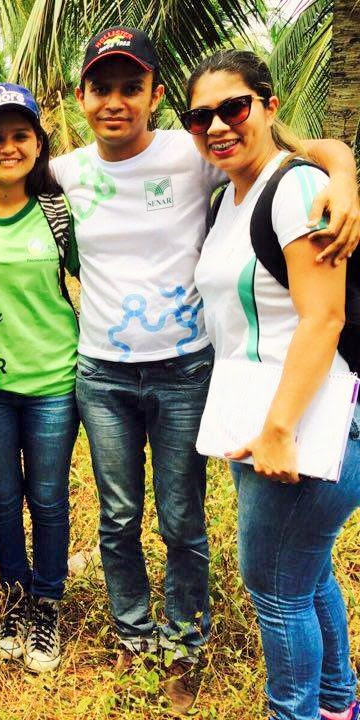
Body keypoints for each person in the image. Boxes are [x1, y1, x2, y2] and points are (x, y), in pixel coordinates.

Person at [50, 26, 360, 713]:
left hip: (191, 374)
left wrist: (343, 176)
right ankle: (136, 639)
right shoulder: (69, 171)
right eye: (102, 87)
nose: (115, 101)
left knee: (184, 520)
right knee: (118, 516)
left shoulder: (195, 157)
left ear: (155, 97)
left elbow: (311, 153)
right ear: (81, 97)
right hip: (104, 374)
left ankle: (187, 644)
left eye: (132, 87)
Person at [188, 49, 360, 720]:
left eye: (234, 107)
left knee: (276, 588)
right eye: (201, 116)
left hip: (306, 423)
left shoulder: (291, 189)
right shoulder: (231, 193)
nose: (218, 126)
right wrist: (342, 161)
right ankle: (339, 702)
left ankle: (293, 712)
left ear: (268, 105)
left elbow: (325, 314)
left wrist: (281, 430)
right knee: (306, 573)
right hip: (258, 414)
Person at [0, 83, 79, 673]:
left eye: (20, 136)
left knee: (49, 498)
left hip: (55, 381)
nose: (9, 147)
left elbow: (94, 278)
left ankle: (48, 601)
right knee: (1, 500)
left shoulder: (59, 211)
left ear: (38, 143)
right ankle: (14, 597)